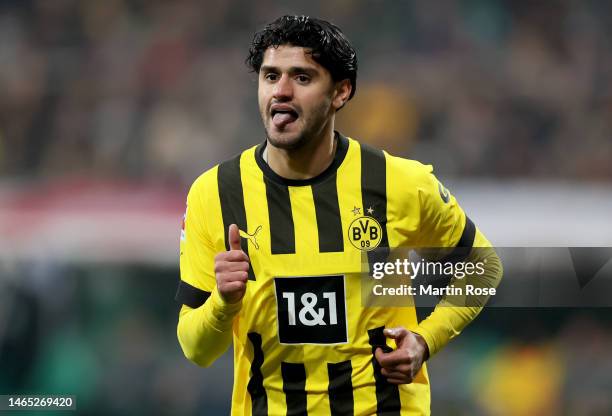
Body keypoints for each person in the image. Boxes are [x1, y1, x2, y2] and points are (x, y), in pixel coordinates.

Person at [175, 15, 503, 415]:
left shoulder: (398, 183)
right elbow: (196, 349)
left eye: (302, 77)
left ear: (340, 92)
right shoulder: (215, 194)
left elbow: (482, 267)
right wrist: (223, 304)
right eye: (270, 76)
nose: (281, 91)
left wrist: (424, 340)